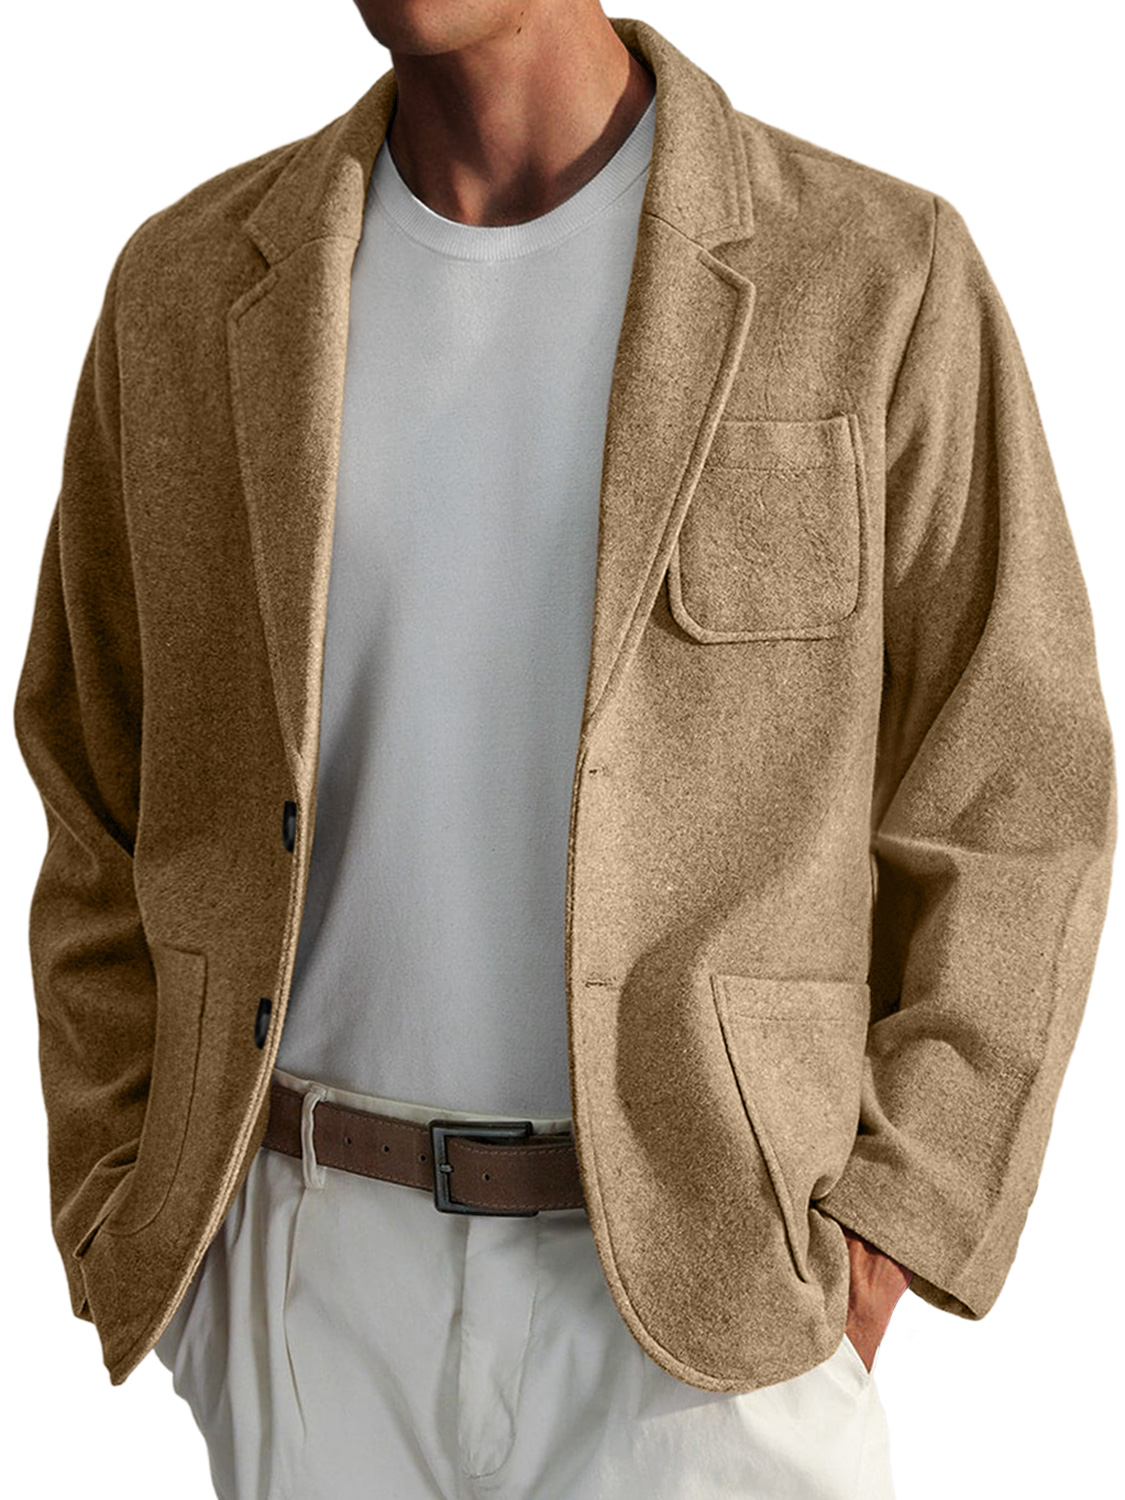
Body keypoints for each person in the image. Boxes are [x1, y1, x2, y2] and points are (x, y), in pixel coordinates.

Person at [13, 5, 1115, 1499]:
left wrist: (896, 1222)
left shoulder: (873, 274)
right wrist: (123, 1200)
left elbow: (1016, 786)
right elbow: (93, 775)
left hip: (712, 1313)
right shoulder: (187, 290)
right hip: (309, 1280)